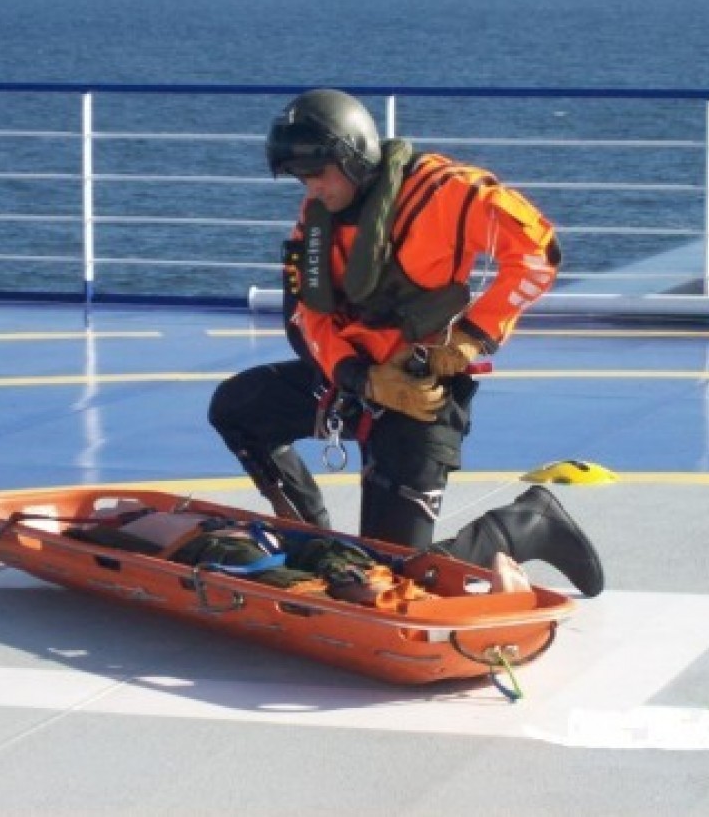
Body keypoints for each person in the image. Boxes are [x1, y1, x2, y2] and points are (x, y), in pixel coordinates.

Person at [208, 89, 603, 596]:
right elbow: (308, 315)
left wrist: (471, 336)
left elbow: (538, 253)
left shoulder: (446, 193)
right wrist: (362, 378)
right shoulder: (318, 217)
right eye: (302, 178)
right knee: (237, 408)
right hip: (355, 385)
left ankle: (525, 524)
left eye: (318, 173)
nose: (311, 188)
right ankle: (315, 541)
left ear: (353, 156)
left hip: (421, 399)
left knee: (391, 582)